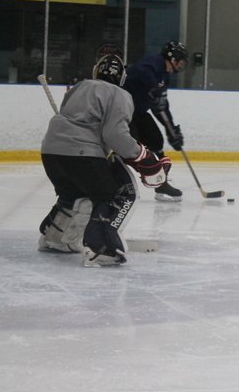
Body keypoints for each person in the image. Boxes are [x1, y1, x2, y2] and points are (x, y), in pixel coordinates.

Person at [39, 54, 171, 267]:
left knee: (74, 195)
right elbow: (115, 135)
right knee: (112, 196)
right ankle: (102, 248)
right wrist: (142, 155)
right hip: (82, 154)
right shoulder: (120, 94)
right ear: (122, 78)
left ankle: (55, 238)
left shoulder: (79, 87)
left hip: (51, 152)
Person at [123, 41, 188, 201]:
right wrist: (152, 87)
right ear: (172, 57)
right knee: (129, 147)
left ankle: (160, 183)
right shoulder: (154, 62)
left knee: (155, 141)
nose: (182, 64)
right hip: (122, 112)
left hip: (138, 112)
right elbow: (140, 70)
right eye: (181, 60)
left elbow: (160, 106)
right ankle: (118, 184)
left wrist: (171, 130)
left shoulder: (165, 76)